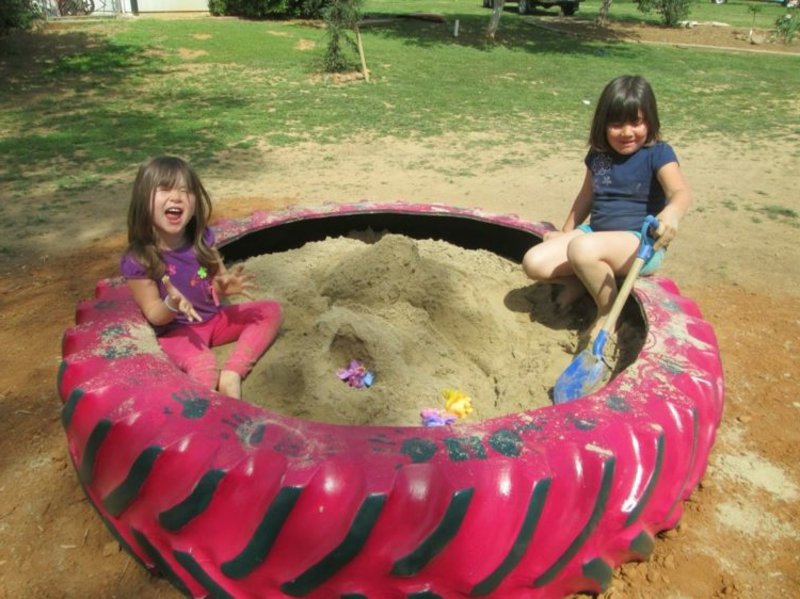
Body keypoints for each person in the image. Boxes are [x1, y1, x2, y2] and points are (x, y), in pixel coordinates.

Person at [522, 74, 692, 342]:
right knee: (535, 262)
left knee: (582, 248)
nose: (627, 132)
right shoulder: (598, 156)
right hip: (595, 235)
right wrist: (566, 232)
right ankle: (582, 280)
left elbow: (680, 192)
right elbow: (585, 197)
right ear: (603, 124)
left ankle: (610, 312)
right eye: (616, 124)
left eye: (636, 122)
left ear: (650, 120)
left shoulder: (659, 153)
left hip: (639, 243)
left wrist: (672, 212)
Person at [120, 156, 282, 399]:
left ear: (195, 202)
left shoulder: (201, 239)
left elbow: (210, 273)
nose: (176, 197)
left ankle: (233, 373)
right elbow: (153, 312)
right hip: (178, 332)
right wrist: (171, 304)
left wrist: (223, 285)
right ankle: (210, 418)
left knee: (270, 310)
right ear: (143, 200)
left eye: (185, 191)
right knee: (204, 368)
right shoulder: (140, 258)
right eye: (165, 189)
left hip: (214, 320)